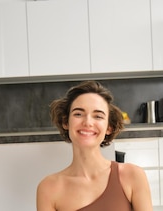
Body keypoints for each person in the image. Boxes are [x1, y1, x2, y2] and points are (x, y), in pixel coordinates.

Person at [36, 81, 153, 211]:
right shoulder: (49, 188)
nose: (88, 122)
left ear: (109, 127)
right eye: (78, 114)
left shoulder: (133, 176)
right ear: (65, 122)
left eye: (98, 116)